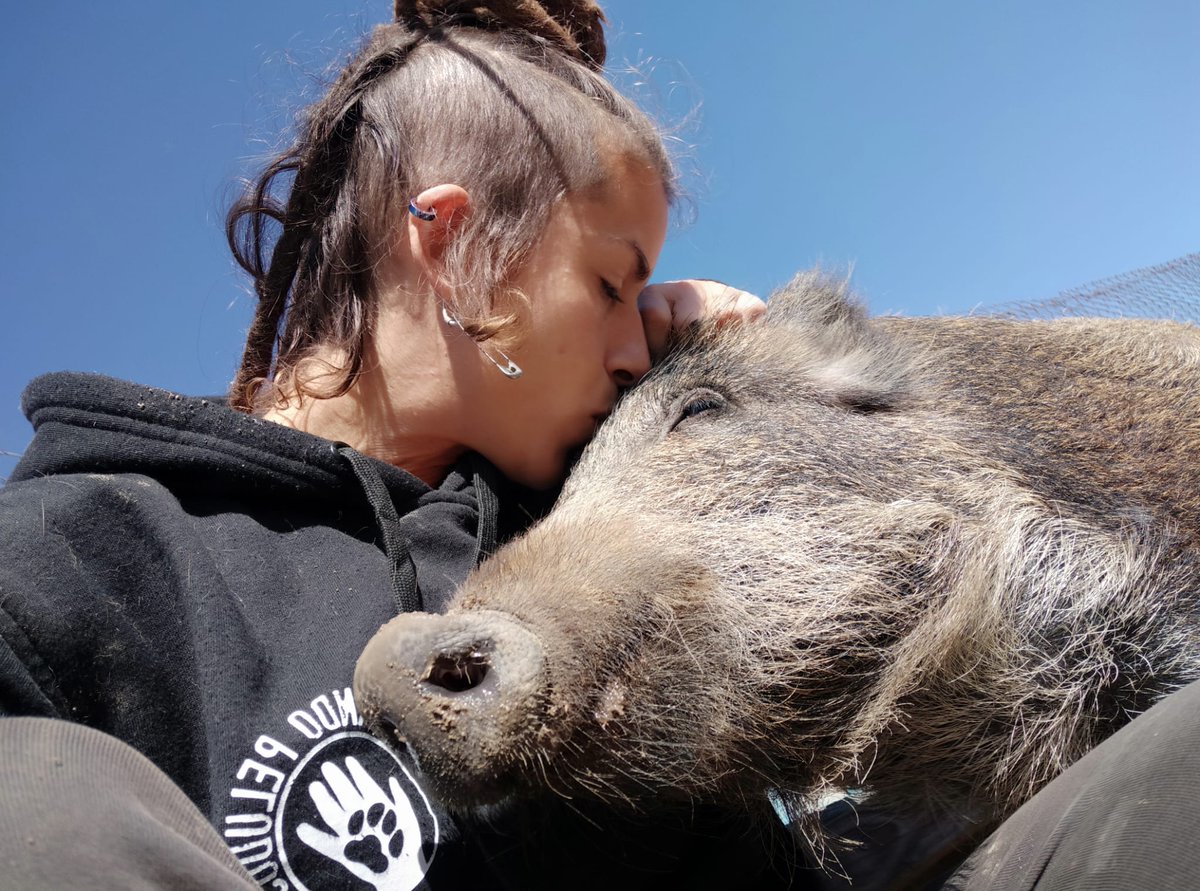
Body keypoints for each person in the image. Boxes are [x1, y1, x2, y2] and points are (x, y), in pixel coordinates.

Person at [0, 2, 784, 889]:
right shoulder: (71, 564)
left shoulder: (571, 518)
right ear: (448, 242)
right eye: (610, 284)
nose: (630, 346)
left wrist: (694, 390)